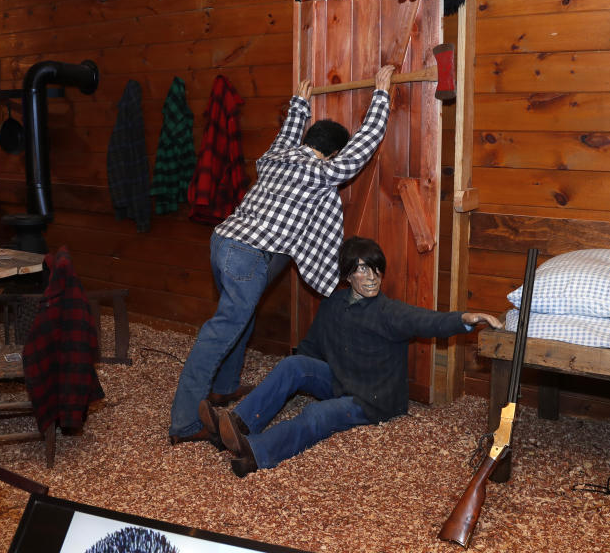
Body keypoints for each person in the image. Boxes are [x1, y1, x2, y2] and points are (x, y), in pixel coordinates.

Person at [169, 66, 396, 444]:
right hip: (248, 255)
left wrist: (299, 105)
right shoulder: (322, 170)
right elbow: (364, 146)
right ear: (331, 153)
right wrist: (382, 95)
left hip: (223, 242)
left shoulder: (277, 155)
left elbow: (288, 133)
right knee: (221, 329)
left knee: (239, 311)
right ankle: (184, 422)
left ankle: (225, 386)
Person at [198, 236, 502, 477]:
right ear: (347, 275)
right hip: (342, 378)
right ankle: (238, 425)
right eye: (360, 268)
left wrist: (465, 318)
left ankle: (254, 453)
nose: (371, 277)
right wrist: (288, 380)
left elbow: (428, 320)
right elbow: (311, 348)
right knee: (293, 364)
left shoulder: (389, 312)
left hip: (372, 399)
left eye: (375, 268)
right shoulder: (334, 304)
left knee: (317, 415)